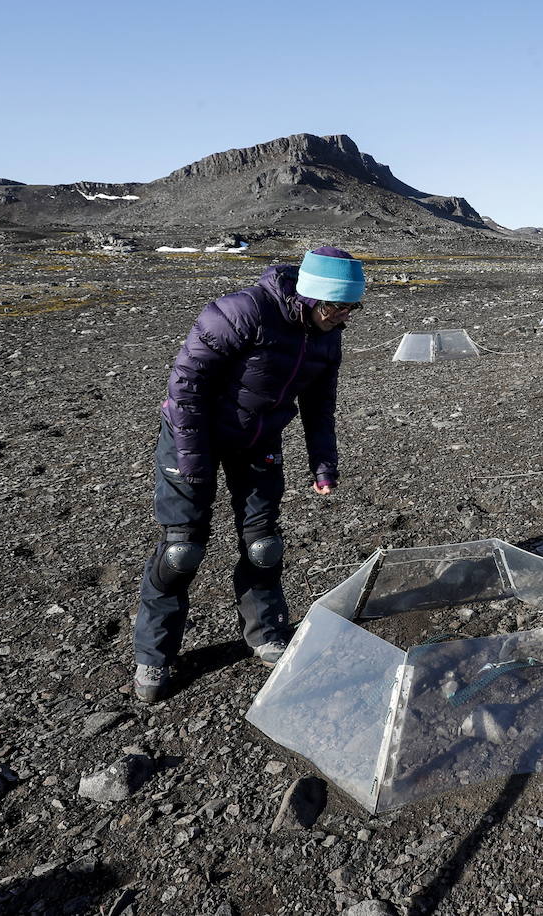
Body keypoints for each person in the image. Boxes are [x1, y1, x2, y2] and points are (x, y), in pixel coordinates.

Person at [132, 246, 365, 703]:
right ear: (313, 298)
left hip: (258, 438)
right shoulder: (240, 313)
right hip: (191, 435)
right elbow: (185, 386)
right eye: (339, 308)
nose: (344, 319)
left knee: (263, 544)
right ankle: (154, 656)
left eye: (352, 309)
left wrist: (323, 464)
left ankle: (266, 632)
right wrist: (195, 464)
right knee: (182, 549)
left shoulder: (327, 335)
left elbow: (320, 407)